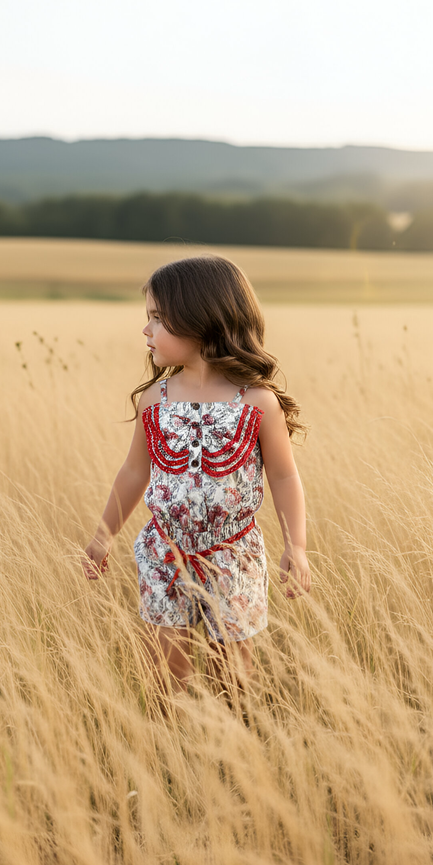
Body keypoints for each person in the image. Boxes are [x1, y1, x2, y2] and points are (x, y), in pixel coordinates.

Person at [83, 255, 310, 694]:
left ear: (202, 319)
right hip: (162, 553)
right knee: (166, 672)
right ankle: (172, 750)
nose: (146, 330)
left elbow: (284, 477)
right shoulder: (155, 399)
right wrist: (103, 535)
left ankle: (233, 750)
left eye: (158, 319)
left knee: (234, 675)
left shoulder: (257, 402)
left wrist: (296, 546)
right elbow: (134, 471)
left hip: (233, 554)